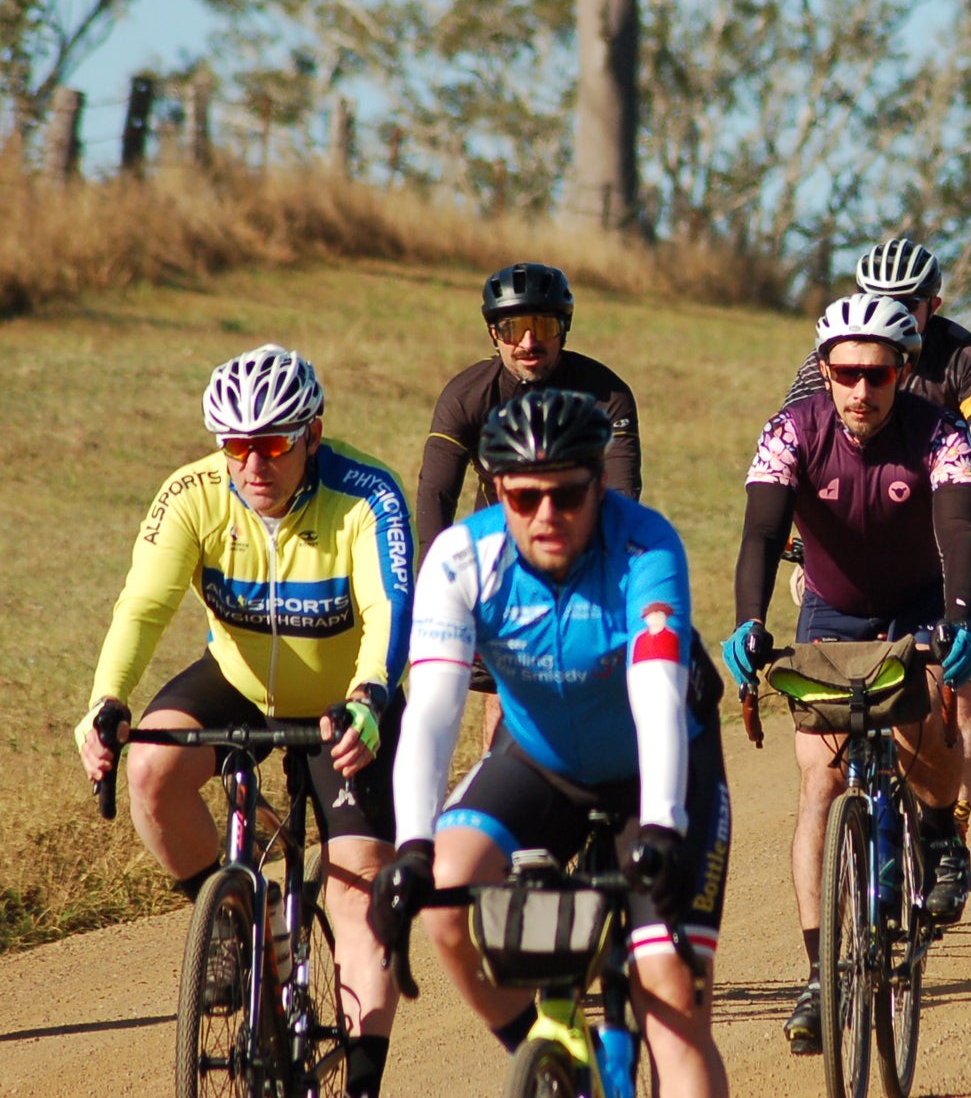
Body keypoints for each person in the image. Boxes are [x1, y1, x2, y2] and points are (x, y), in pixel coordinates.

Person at [74, 344, 412, 1098]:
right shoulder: (193, 492)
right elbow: (144, 605)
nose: (253, 465)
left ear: (313, 436)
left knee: (358, 896)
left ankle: (360, 1085)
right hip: (238, 680)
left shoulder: (367, 497)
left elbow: (393, 609)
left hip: (347, 702)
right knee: (150, 770)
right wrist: (107, 700)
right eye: (235, 446)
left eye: (274, 444)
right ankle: (237, 921)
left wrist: (368, 700)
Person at [373, 389, 728, 1098]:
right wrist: (411, 847)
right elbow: (435, 712)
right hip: (539, 762)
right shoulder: (461, 559)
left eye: (567, 495)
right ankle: (553, 1058)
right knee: (445, 901)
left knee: (671, 995)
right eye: (524, 496)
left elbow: (656, 692)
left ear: (599, 482)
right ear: (497, 488)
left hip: (656, 775)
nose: (546, 517)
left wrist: (660, 827)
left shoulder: (644, 545)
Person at [726, 294, 971, 1057]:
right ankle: (818, 973)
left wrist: (960, 625)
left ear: (902, 372)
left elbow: (960, 533)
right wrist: (749, 620)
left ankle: (939, 833)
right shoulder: (789, 434)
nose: (861, 390)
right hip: (832, 617)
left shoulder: (940, 435)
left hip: (919, 609)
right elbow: (761, 535)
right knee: (820, 784)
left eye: (877, 374)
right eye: (845, 373)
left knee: (921, 748)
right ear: (826, 372)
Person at [779, 238, 971, 832]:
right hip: (850, 538)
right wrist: (802, 541)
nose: (889, 310)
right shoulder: (838, 350)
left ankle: (952, 826)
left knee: (958, 688)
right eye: (877, 297)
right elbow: (794, 455)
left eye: (906, 302)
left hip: (945, 533)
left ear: (933, 305)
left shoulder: (966, 356)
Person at [416, 262, 642, 743]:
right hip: (500, 555)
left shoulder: (607, 395)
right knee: (504, 698)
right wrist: (433, 586)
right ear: (493, 334)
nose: (528, 342)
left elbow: (623, 491)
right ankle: (506, 796)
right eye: (513, 328)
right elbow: (436, 494)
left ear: (564, 329)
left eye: (542, 326)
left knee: (590, 688)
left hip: (585, 549)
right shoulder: (465, 396)